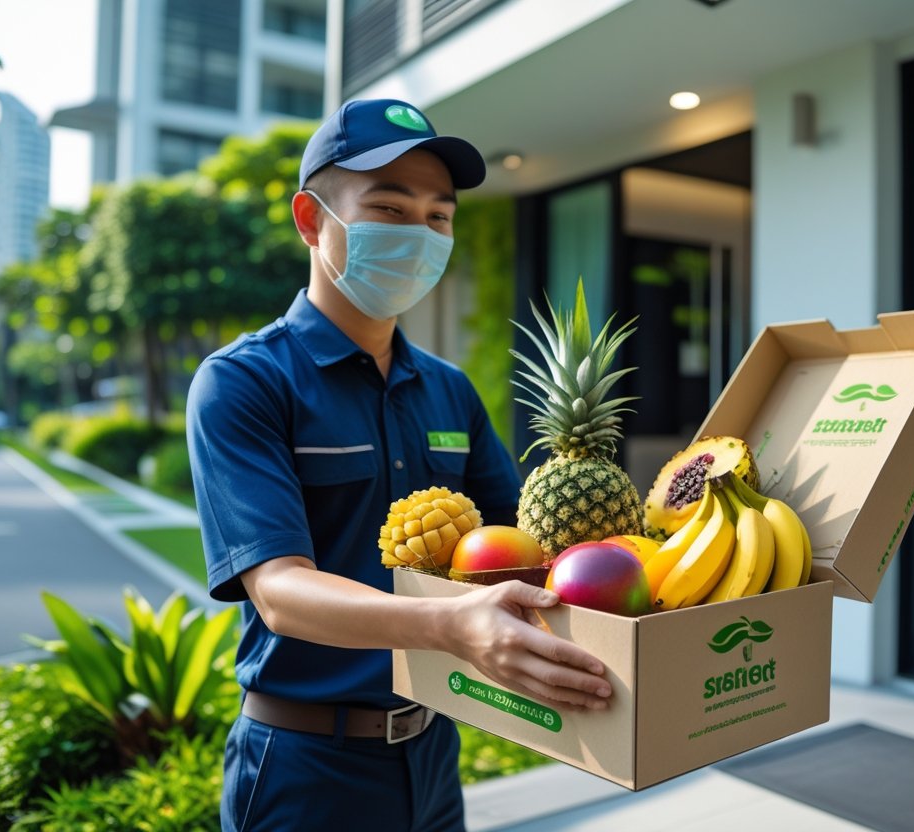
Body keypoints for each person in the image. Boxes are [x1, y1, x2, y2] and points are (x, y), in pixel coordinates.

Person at [185, 98, 613, 832]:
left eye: (438, 217)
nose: (420, 235)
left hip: (431, 756)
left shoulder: (449, 389)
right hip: (303, 768)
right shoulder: (244, 382)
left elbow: (522, 551)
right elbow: (281, 592)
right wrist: (449, 626)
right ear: (312, 220)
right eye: (388, 208)